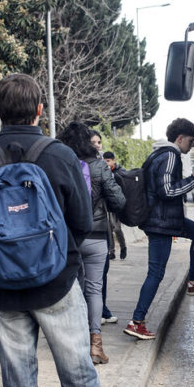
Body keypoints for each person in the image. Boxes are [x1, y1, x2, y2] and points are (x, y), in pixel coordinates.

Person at [0, 74, 104, 387]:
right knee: (78, 375)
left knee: (20, 382)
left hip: (1, 287)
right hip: (56, 283)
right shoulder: (60, 154)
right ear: (40, 110)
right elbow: (83, 221)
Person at [124, 118, 194, 340]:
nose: (192, 146)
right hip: (161, 224)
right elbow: (166, 191)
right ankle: (137, 321)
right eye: (191, 141)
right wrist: (193, 180)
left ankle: (193, 282)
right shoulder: (170, 155)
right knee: (155, 273)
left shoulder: (159, 154)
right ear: (180, 138)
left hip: (165, 221)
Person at [57, 122, 125, 364]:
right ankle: (95, 344)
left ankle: (74, 342)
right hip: (96, 235)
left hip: (69, 237)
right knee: (94, 288)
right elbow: (118, 200)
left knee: (72, 287)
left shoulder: (60, 163)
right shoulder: (98, 165)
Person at [88, 131, 118, 324]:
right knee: (97, 274)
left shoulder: (99, 164)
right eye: (94, 142)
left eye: (99, 141)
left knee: (98, 273)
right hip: (96, 226)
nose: (98, 145)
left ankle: (101, 311)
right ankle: (97, 315)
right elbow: (118, 198)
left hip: (96, 224)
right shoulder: (97, 166)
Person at [102, 151, 128, 260]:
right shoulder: (102, 171)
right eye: (104, 161)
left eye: (108, 161)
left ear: (113, 161)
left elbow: (125, 189)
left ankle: (123, 247)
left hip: (117, 204)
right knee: (109, 229)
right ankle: (111, 252)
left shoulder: (120, 172)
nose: (106, 163)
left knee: (117, 228)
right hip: (107, 204)